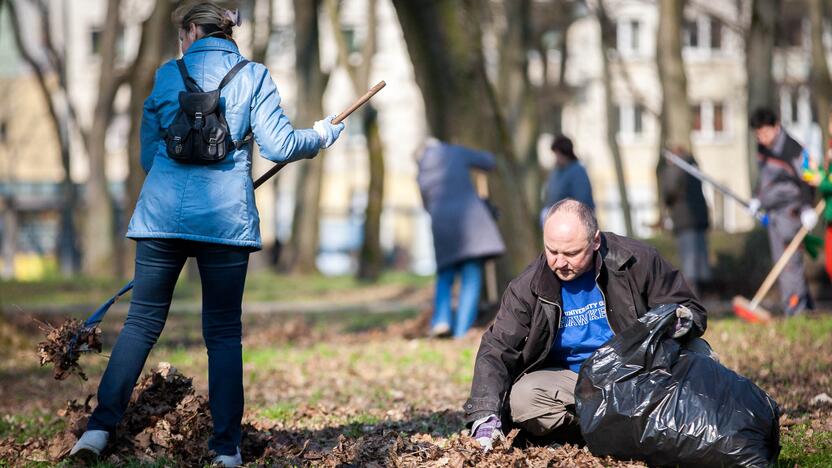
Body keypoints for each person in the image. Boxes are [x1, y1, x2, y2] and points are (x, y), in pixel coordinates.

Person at [70, 3, 344, 466]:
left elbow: (148, 158)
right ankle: (226, 450)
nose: (182, 42)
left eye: (182, 34)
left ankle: (97, 431)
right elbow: (278, 145)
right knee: (222, 334)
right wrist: (320, 135)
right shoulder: (254, 75)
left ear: (192, 30)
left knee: (140, 323)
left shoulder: (165, 76)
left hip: (161, 219)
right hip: (225, 222)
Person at [463, 199, 712, 449]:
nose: (559, 262)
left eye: (571, 253)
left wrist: (676, 322)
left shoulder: (636, 259)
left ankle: (672, 424)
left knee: (699, 354)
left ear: (595, 241)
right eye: (552, 251)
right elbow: (497, 347)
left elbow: (690, 308)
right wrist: (485, 416)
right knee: (524, 398)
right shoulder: (527, 286)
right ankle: (613, 431)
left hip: (641, 373)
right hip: (579, 386)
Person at [417, 139, 506, 339]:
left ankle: (441, 320)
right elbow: (487, 161)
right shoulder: (454, 152)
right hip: (470, 223)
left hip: (442, 226)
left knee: (445, 275)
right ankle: (461, 330)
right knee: (471, 276)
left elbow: (425, 204)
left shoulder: (421, 171)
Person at [748, 108, 817, 317]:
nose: (762, 138)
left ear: (777, 127)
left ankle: (795, 310)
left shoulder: (794, 149)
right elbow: (767, 180)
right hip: (773, 213)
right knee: (782, 261)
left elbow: (808, 177)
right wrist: (758, 198)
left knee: (789, 264)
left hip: (792, 211)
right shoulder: (762, 149)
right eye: (758, 134)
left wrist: (807, 207)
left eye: (766, 133)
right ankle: (805, 307)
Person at [658, 148, 712, 295]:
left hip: (685, 220)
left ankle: (693, 298)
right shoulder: (693, 167)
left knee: (690, 266)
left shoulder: (677, 168)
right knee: (699, 263)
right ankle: (701, 296)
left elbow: (669, 191)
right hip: (698, 220)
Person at [540, 135, 595, 225]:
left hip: (572, 222)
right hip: (555, 220)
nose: (556, 158)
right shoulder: (556, 171)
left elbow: (582, 201)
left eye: (557, 154)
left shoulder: (577, 171)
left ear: (565, 154)